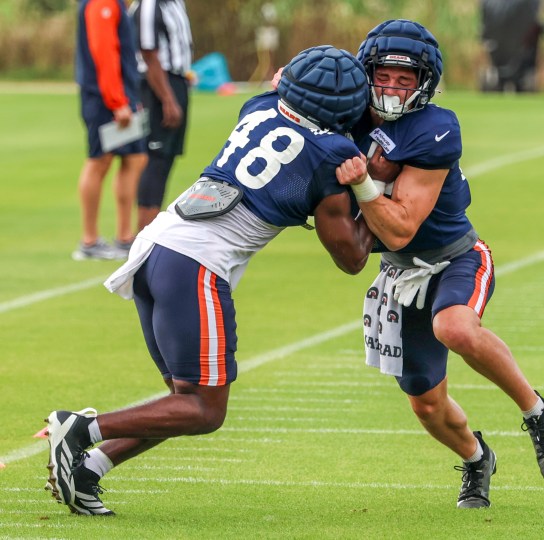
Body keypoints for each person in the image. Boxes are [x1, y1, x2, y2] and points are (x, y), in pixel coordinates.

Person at [44, 45, 375, 516]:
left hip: (155, 245)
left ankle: (88, 469)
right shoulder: (334, 155)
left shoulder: (258, 105)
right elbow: (352, 258)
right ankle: (81, 429)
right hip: (195, 265)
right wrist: (367, 185)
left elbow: (278, 90)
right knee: (203, 410)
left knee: (182, 404)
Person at [335, 19, 544, 508]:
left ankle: (538, 412)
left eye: (405, 79)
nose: (393, 88)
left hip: (455, 257)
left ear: (424, 83)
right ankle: (476, 457)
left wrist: (362, 184)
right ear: (366, 74)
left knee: (456, 328)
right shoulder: (347, 113)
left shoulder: (435, 126)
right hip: (400, 274)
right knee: (427, 405)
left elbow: (399, 226)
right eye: (384, 76)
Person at [73, 0, 147, 260]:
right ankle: (89, 241)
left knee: (135, 158)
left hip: (121, 96)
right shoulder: (102, 2)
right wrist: (118, 102)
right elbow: (103, 51)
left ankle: (125, 237)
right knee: (99, 161)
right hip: (104, 99)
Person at [129, 0, 193, 231]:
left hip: (176, 80)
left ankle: (151, 230)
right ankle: (144, 235)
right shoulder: (149, 4)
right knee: (155, 157)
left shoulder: (174, 3)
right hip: (158, 85)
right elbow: (148, 52)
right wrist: (167, 98)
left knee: (166, 158)